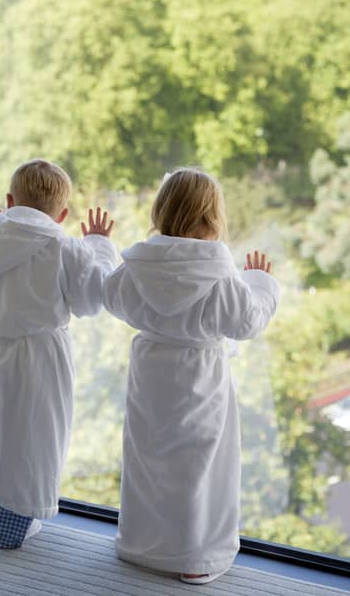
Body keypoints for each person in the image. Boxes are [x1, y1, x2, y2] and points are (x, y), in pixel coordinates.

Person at [103, 167, 280, 584]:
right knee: (197, 463)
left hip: (150, 374)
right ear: (212, 216)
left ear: (162, 210)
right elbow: (247, 323)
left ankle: (142, 545)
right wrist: (261, 281)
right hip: (201, 377)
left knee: (149, 459)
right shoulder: (220, 274)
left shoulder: (139, 264)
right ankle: (194, 558)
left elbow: (112, 296)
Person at [0, 159, 116, 549]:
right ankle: (9, 530)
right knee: (28, 442)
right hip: (40, 357)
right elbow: (93, 297)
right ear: (62, 214)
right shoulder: (63, 245)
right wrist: (99, 245)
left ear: (9, 200)